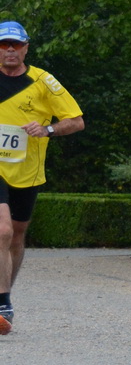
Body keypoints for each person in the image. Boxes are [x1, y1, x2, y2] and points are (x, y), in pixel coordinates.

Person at [0, 21, 86, 334]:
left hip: (27, 171)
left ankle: (5, 291)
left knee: (17, 235)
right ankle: (3, 303)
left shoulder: (43, 81)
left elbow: (76, 121)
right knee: (3, 230)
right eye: (3, 45)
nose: (9, 50)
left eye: (15, 44)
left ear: (25, 48)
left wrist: (47, 129)